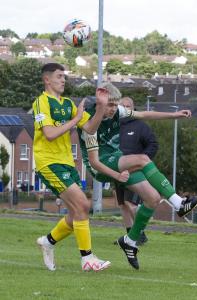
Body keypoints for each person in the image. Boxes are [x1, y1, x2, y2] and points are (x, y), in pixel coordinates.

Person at [77, 82, 197, 270]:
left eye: (115, 105)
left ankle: (130, 241)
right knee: (143, 159)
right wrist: (116, 175)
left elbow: (145, 114)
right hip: (100, 165)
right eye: (109, 105)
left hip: (117, 159)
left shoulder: (117, 111)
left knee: (153, 199)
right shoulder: (88, 118)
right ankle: (179, 203)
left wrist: (174, 115)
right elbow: (93, 148)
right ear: (99, 103)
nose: (113, 109)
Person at [33, 63, 116, 272]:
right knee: (82, 205)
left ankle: (48, 241)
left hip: (67, 163)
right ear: (47, 80)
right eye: (59, 76)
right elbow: (50, 134)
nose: (63, 80)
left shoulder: (69, 104)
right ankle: (87, 258)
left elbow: (89, 128)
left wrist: (99, 108)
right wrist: (76, 119)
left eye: (64, 77)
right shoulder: (41, 102)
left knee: (76, 212)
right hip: (48, 162)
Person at [114, 96, 159, 246]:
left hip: (135, 172)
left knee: (130, 202)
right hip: (117, 170)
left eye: (129, 106)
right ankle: (129, 236)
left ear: (133, 109)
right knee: (122, 205)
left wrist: (143, 161)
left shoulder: (141, 126)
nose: (126, 109)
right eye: (123, 106)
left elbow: (153, 144)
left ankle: (139, 234)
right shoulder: (114, 125)